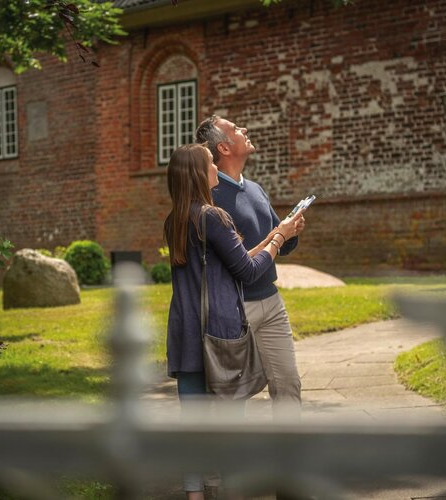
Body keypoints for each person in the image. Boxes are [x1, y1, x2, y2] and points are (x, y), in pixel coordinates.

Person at [164, 143, 303, 500]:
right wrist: (280, 239)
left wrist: (271, 237)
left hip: (186, 333)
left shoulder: (175, 220)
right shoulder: (214, 217)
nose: (215, 167)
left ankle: (195, 494)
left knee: (192, 422)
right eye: (211, 163)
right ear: (199, 174)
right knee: (230, 419)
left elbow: (231, 260)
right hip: (219, 332)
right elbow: (247, 270)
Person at [195, 115, 306, 420]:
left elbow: (279, 244)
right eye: (235, 129)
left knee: (288, 384)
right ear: (224, 148)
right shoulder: (211, 198)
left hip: (271, 302)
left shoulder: (255, 189)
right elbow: (236, 262)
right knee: (232, 397)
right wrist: (279, 236)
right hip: (235, 309)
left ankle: (291, 447)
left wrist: (290, 232)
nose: (244, 129)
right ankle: (230, 450)